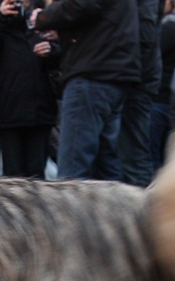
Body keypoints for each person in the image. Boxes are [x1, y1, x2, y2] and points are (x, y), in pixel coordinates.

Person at [30, 0, 138, 180]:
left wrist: (44, 17)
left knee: (72, 173)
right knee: (104, 169)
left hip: (92, 72)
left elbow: (81, 4)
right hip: (111, 71)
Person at [0, 0, 59, 178]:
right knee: (13, 177)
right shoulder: (0, 26)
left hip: (40, 111)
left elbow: (63, 56)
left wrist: (52, 50)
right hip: (9, 113)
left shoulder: (42, 21)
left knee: (36, 174)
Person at [117, 0, 161, 187]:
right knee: (131, 151)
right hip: (133, 75)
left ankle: (143, 209)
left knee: (133, 152)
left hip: (136, 78)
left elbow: (145, 34)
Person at [148, 0, 175, 172]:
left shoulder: (167, 29)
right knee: (164, 152)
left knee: (153, 151)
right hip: (172, 95)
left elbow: (155, 57)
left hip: (159, 94)